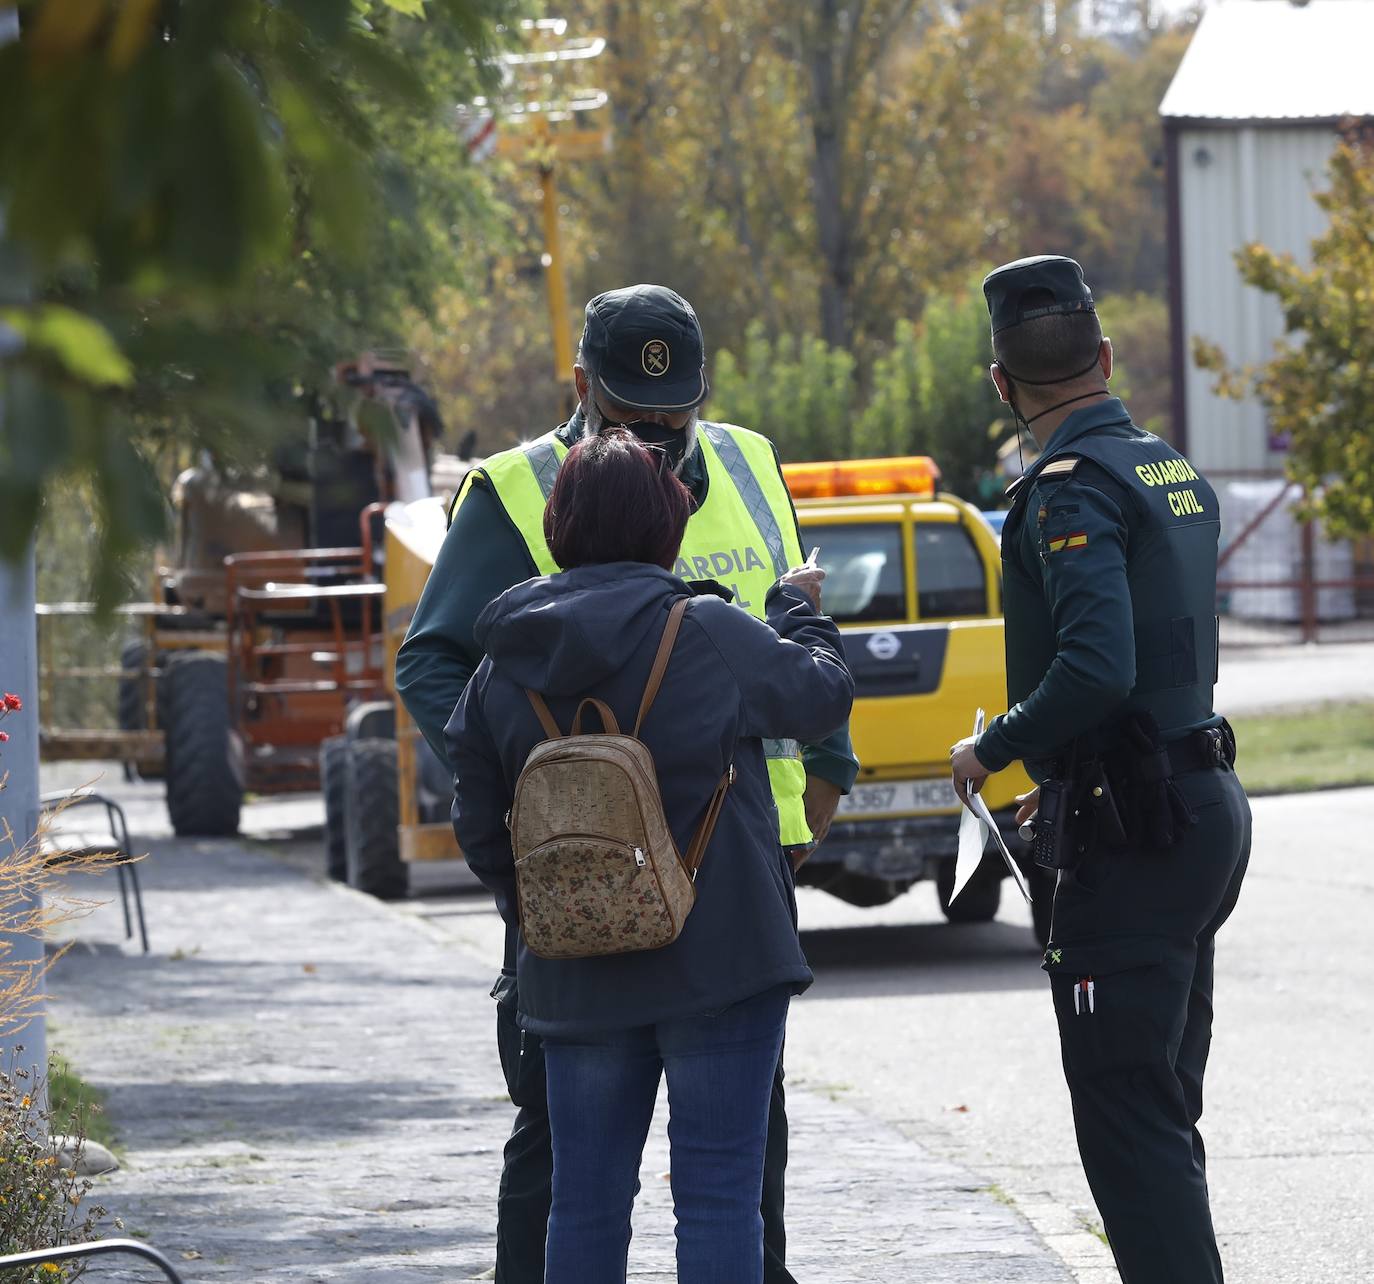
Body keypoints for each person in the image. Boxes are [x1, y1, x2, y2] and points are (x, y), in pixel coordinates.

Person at [395, 283, 859, 1283]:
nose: (656, 434)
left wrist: (824, 784)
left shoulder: (747, 460)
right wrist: (549, 835)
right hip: (622, 897)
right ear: (580, 387)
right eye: (630, 414)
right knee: (666, 1178)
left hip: (736, 865)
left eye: (674, 411)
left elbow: (805, 701)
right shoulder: (515, 489)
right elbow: (804, 670)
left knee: (627, 1187)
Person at [948, 255, 1252, 1283]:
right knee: (1161, 1105)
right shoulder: (1167, 466)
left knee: (1127, 1118)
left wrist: (990, 749)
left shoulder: (1069, 489)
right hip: (1193, 801)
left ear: (1001, 383)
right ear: (1108, 358)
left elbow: (1096, 664)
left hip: (1135, 832)